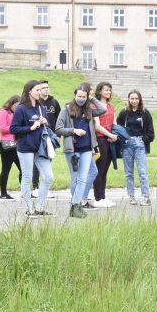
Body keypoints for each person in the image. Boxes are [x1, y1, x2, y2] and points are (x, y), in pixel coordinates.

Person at [10, 79, 54, 217]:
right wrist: (31, 127)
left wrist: (45, 122)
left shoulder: (41, 108)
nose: (40, 92)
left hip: (40, 148)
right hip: (26, 148)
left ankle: (40, 208)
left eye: (41, 90)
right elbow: (13, 129)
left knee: (48, 177)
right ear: (29, 91)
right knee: (27, 177)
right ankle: (29, 209)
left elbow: (46, 128)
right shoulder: (21, 108)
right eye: (37, 90)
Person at [56, 85, 99, 218]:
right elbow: (58, 128)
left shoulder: (90, 110)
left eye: (83, 97)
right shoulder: (66, 109)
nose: (81, 99)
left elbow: (102, 109)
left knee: (82, 178)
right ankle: (75, 206)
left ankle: (76, 205)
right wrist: (73, 130)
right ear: (74, 95)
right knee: (75, 178)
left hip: (87, 149)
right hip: (72, 150)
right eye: (79, 96)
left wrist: (92, 99)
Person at [117, 90, 154, 205]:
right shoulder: (124, 113)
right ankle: (131, 196)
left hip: (140, 144)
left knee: (142, 172)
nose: (134, 101)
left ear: (140, 99)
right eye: (132, 98)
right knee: (128, 172)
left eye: (136, 98)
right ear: (128, 99)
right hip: (127, 144)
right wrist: (123, 141)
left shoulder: (145, 113)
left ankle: (146, 197)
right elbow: (118, 128)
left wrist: (143, 140)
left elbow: (151, 132)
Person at [32, 81, 62, 198]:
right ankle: (36, 187)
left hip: (51, 137)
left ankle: (45, 188)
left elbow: (60, 120)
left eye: (47, 87)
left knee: (48, 161)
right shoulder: (37, 104)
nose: (45, 90)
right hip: (39, 136)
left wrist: (58, 136)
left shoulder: (54, 102)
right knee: (37, 162)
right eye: (43, 88)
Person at [91, 82, 118, 208]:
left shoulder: (111, 106)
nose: (108, 92)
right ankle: (97, 198)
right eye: (106, 90)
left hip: (109, 141)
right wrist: (110, 135)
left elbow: (114, 123)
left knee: (105, 171)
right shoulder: (94, 106)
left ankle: (102, 197)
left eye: (110, 90)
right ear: (100, 91)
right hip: (99, 141)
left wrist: (114, 135)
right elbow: (97, 126)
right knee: (98, 170)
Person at [0, 94, 21, 200]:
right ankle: (3, 193)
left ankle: (25, 191)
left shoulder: (16, 113)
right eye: (16, 105)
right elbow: (2, 128)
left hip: (17, 143)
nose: (17, 107)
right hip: (6, 143)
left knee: (23, 169)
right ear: (11, 103)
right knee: (6, 168)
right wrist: (16, 128)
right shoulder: (3, 112)